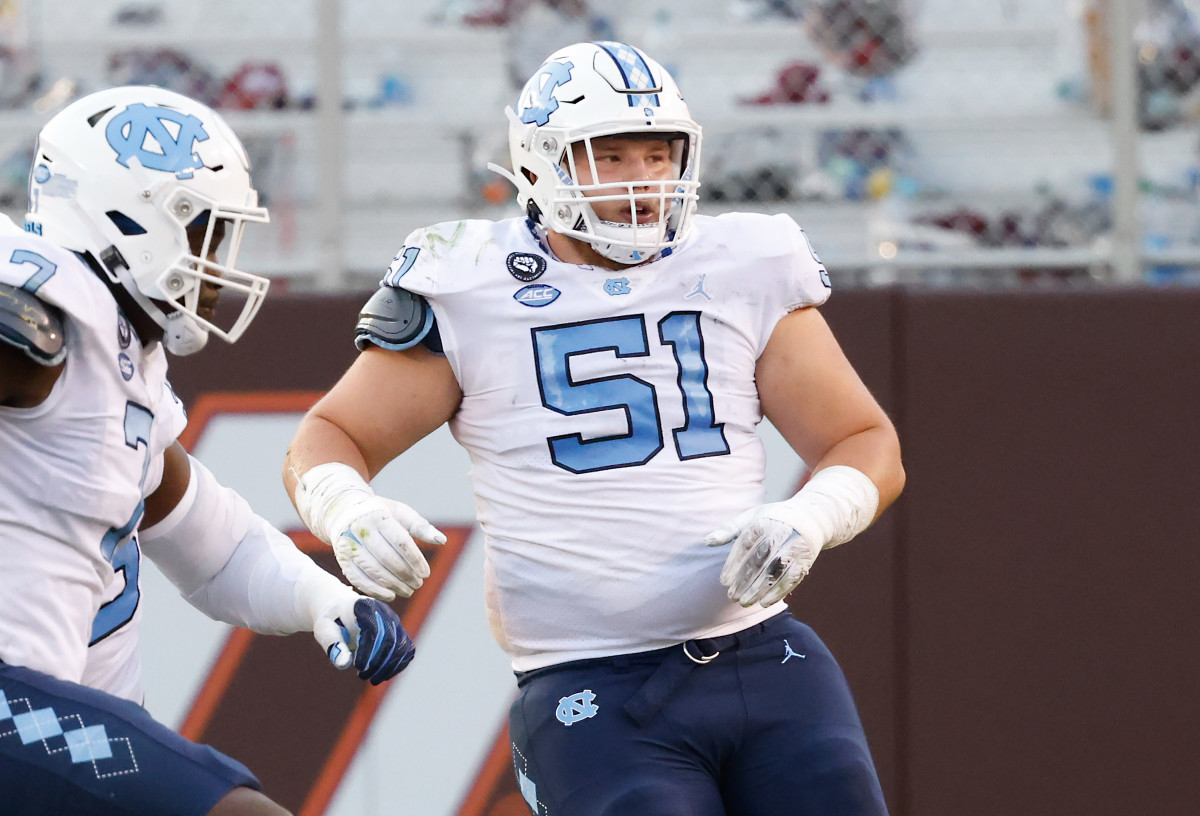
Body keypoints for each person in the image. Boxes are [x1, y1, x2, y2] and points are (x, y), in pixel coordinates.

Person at [284, 41, 905, 815]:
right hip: (589, 683)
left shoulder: (745, 262)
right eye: (608, 156)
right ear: (541, 165)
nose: (643, 179)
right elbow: (329, 435)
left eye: (658, 153)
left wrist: (811, 516)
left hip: (765, 658)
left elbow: (864, 441)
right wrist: (348, 509)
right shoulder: (470, 281)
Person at [0, 86, 415, 816]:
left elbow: (218, 548)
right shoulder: (50, 310)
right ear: (122, 218)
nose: (216, 263)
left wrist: (325, 599)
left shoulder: (128, 373)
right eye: (201, 232)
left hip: (54, 720)